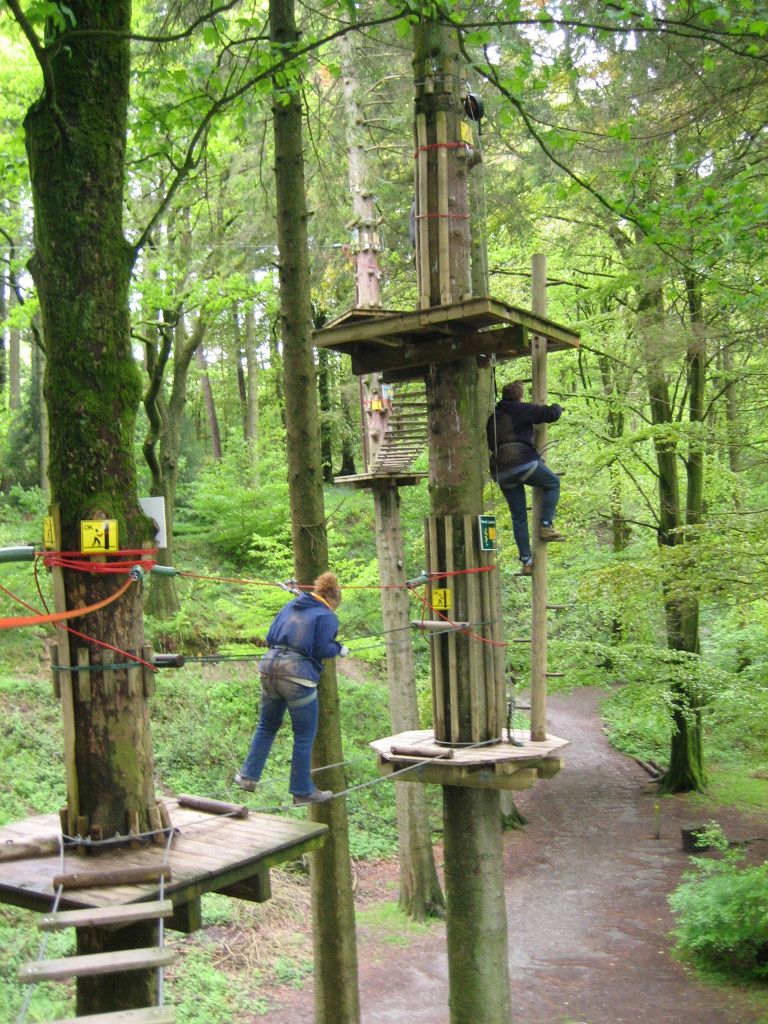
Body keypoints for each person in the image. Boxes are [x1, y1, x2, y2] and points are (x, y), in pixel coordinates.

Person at [235, 571, 349, 805]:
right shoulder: (327, 616)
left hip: (269, 667)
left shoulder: (290, 606)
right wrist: (339, 649)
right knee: (304, 733)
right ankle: (302, 790)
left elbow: (269, 636)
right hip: (297, 676)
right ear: (334, 598)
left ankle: (247, 777)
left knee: (267, 725)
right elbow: (321, 648)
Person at [487, 380, 564, 576]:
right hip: (522, 462)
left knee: (518, 516)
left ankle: (527, 561)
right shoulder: (520, 409)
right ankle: (546, 526)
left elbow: (491, 443)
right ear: (520, 396)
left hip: (501, 470)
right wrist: (559, 406)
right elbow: (550, 414)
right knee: (553, 483)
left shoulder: (492, 419)